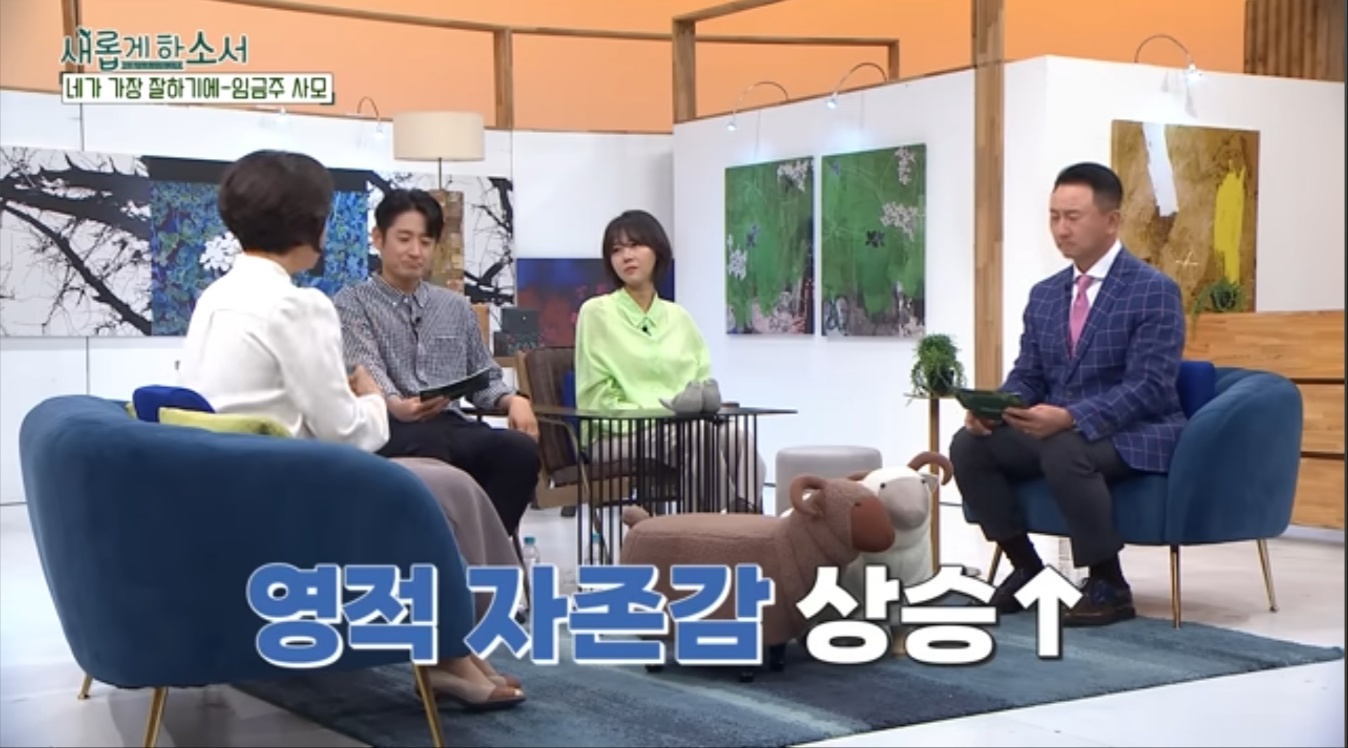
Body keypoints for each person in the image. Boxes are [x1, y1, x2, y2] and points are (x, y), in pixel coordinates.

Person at [177, 150, 525, 710]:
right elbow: (347, 433)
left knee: (453, 472)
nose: (415, 250)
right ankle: (457, 645)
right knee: (444, 486)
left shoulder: (216, 297)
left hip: (231, 485)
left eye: (425, 240)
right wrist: (371, 400)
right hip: (289, 490)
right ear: (313, 224)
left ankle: (452, 648)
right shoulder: (300, 306)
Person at [949, 162, 1186, 627]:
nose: (1061, 229)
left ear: (1112, 221)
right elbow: (1029, 374)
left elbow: (1149, 385)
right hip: (1060, 429)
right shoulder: (1045, 295)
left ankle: (1109, 584)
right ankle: (1027, 570)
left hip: (1137, 430)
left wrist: (1072, 417)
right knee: (970, 445)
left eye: (1073, 217)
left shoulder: (1153, 291)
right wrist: (997, 408)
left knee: (1063, 448)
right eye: (1054, 216)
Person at [333, 189, 541, 538]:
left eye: (425, 242)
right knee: (430, 449)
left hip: (450, 423)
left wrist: (514, 400)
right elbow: (365, 367)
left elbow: (484, 377)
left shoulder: (455, 307)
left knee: (518, 450)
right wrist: (396, 405)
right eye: (404, 239)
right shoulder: (352, 303)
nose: (415, 251)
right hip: (387, 427)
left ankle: (480, 548)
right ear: (378, 239)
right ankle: (436, 551)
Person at [574, 209, 766, 512]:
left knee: (736, 437)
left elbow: (700, 382)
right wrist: (664, 416)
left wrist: (698, 406)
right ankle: (713, 527)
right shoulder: (596, 312)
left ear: (657, 251)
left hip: (681, 429)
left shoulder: (679, 317)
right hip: (617, 433)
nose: (626, 256)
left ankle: (745, 520)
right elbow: (595, 397)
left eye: (636, 245)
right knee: (699, 434)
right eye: (616, 250)